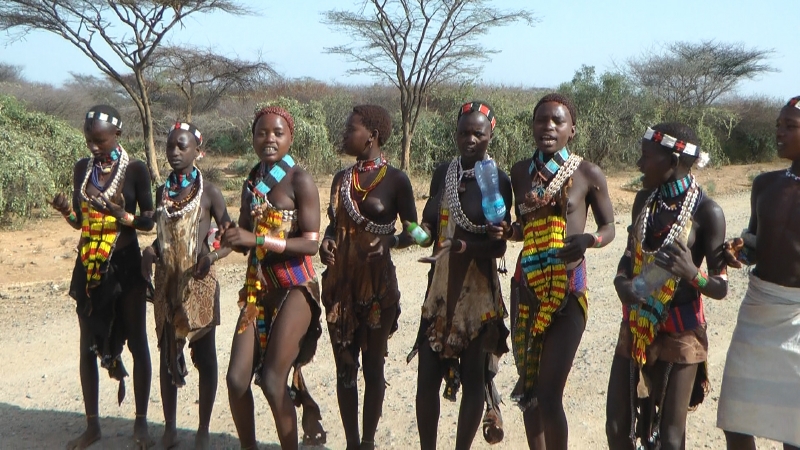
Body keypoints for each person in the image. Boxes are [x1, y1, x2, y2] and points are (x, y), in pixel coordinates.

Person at [495, 93, 615, 450]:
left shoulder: (587, 173)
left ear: (571, 130)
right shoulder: (519, 172)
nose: (548, 127)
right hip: (526, 286)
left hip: (568, 289)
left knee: (549, 393)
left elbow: (609, 227)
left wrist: (590, 240)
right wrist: (509, 232)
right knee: (530, 389)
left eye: (557, 121)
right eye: (541, 120)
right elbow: (522, 227)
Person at [605, 123, 728, 450]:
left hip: (681, 330)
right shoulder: (645, 201)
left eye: (646, 156)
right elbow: (630, 254)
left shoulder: (707, 211)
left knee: (670, 439)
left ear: (673, 161)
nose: (639, 164)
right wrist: (621, 282)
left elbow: (721, 286)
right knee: (617, 427)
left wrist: (692, 273)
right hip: (637, 323)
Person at [219, 106, 325, 450]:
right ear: (252, 138)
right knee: (236, 380)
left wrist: (259, 240)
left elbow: (310, 244)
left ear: (290, 137)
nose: (269, 139)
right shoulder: (252, 182)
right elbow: (243, 238)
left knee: (273, 380)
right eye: (262, 133)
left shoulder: (299, 180)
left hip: (296, 288)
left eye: (278, 133)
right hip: (258, 289)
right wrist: (227, 237)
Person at [51, 105, 155, 449]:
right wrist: (67, 212)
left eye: (100, 140)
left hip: (126, 265)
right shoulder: (83, 169)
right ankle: (92, 425)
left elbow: (148, 221)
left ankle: (141, 423)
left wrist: (122, 215)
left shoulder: (136, 170)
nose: (94, 147)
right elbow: (81, 222)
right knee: (87, 345)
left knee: (137, 341)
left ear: (117, 135)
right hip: (89, 266)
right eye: (89, 140)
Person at [409, 101, 511, 450]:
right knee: (426, 380)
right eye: (463, 132)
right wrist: (414, 234)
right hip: (440, 291)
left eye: (477, 133)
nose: (470, 139)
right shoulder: (443, 173)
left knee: (472, 380)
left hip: (477, 294)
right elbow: (429, 223)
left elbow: (498, 247)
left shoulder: (498, 180)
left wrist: (463, 246)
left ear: (490, 135)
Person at [319, 105, 418, 450]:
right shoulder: (341, 179)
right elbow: (334, 224)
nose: (345, 134)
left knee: (373, 369)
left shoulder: (397, 180)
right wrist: (327, 241)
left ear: (371, 136)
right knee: (345, 370)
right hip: (340, 288)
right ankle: (351, 444)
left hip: (378, 289)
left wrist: (394, 241)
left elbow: (419, 233)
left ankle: (368, 442)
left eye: (351, 129)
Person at [141, 122, 231, 449]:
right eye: (170, 147)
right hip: (168, 282)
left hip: (199, 283)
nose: (175, 152)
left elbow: (229, 237)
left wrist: (213, 256)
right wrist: (150, 251)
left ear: (198, 152)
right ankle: (170, 428)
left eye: (182, 146)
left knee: (205, 357)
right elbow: (164, 237)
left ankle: (203, 429)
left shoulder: (209, 193)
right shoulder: (162, 192)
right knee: (168, 354)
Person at [717, 96, 800, 450]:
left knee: (794, 427)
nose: (779, 132)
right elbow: (755, 241)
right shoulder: (765, 184)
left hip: (797, 316)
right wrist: (739, 251)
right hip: (758, 310)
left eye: (790, 126)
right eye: (778, 125)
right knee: (735, 418)